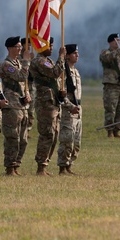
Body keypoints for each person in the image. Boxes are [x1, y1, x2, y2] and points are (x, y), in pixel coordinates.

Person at [32, 38, 65, 175]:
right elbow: (55, 72)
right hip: (45, 103)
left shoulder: (48, 61)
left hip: (53, 101)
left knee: (54, 135)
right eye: (49, 45)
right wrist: (61, 57)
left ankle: (45, 163)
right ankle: (41, 166)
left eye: (52, 45)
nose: (52, 48)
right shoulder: (40, 61)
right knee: (47, 134)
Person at [0, 36, 33, 176]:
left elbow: (23, 83)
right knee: (13, 138)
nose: (20, 49)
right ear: (9, 48)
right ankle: (10, 167)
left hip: (22, 105)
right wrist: (26, 61)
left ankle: (16, 165)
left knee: (23, 140)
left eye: (21, 46)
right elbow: (20, 77)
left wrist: (27, 94)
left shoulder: (18, 64)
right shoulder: (7, 65)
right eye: (17, 47)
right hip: (12, 105)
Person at [57, 44, 83, 175]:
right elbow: (61, 94)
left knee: (76, 142)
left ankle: (69, 165)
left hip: (78, 109)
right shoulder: (63, 72)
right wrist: (70, 106)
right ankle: (63, 166)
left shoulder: (75, 71)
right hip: (69, 109)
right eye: (74, 53)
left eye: (77, 53)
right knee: (67, 140)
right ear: (67, 55)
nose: (77, 55)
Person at [99, 34, 120, 137]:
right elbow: (107, 58)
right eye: (116, 40)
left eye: (119, 40)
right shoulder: (105, 52)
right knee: (110, 109)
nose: (118, 42)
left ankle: (117, 130)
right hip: (111, 85)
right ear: (110, 42)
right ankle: (109, 131)